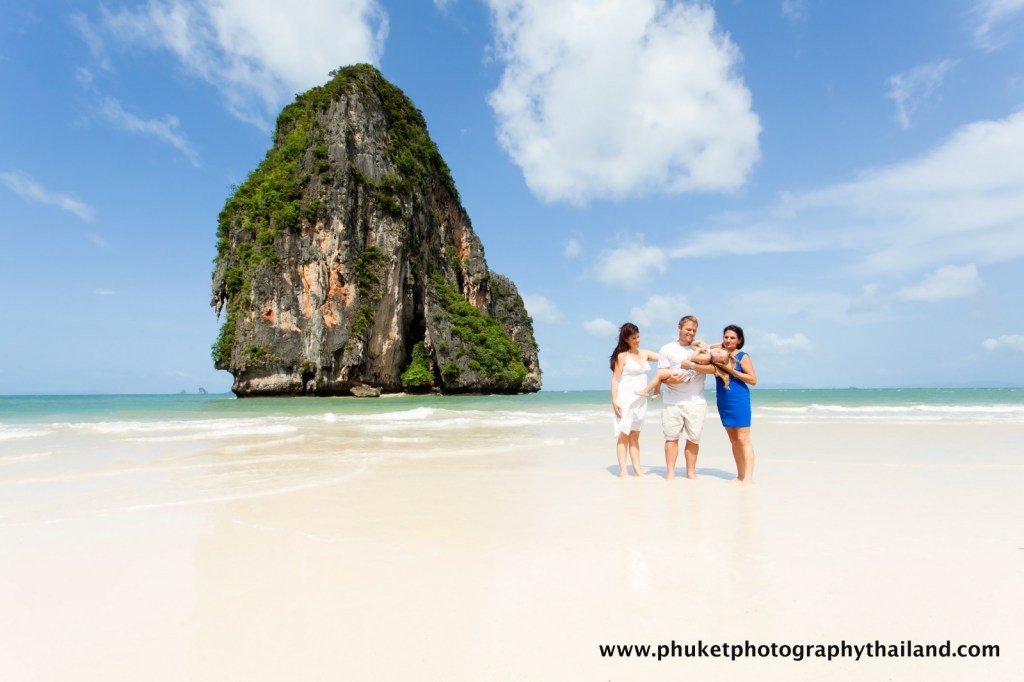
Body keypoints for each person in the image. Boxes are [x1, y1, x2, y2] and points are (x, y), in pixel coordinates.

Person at [657, 316, 714, 479]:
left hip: (696, 402)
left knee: (694, 438)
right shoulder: (667, 349)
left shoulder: (702, 349)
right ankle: (670, 473)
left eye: (694, 330)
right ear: (679, 327)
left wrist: (692, 364)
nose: (691, 333)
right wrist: (670, 380)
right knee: (671, 438)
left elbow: (714, 369)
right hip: (672, 401)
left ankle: (691, 473)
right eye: (688, 329)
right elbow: (661, 375)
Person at [610, 323, 659, 478]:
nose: (637, 340)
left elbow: (665, 357)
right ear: (626, 339)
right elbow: (615, 380)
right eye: (633, 338)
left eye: (638, 336)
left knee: (635, 437)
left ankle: (637, 470)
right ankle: (623, 470)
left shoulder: (644, 353)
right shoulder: (622, 356)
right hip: (625, 399)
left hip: (640, 400)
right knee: (623, 435)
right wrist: (614, 401)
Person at [714, 324, 758, 483]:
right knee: (733, 440)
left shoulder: (742, 356)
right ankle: (740, 475)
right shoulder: (718, 355)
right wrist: (720, 345)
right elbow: (700, 346)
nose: (728, 340)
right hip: (724, 401)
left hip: (739, 399)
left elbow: (753, 380)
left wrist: (731, 370)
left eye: (732, 338)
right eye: (726, 337)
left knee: (743, 439)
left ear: (739, 340)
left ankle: (748, 477)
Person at [635, 342, 737, 398]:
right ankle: (656, 391)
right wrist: (704, 345)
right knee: (661, 373)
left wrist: (698, 350)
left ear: (716, 361)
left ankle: (647, 391)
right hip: (684, 370)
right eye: (719, 350)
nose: (717, 351)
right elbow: (693, 344)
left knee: (660, 373)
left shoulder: (708, 357)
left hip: (685, 373)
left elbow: (693, 358)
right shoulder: (709, 353)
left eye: (719, 354)